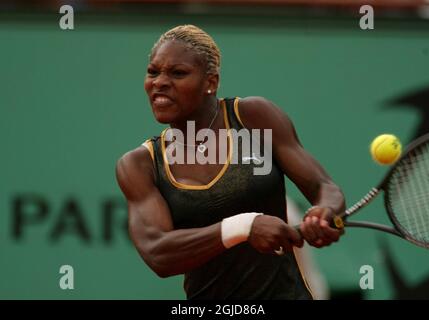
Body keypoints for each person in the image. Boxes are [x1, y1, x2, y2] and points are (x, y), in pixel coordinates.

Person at [116, 24, 345, 300]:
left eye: (178, 73)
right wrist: (244, 227)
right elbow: (158, 252)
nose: (159, 82)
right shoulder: (139, 165)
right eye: (153, 72)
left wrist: (324, 212)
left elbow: (323, 186)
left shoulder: (254, 117)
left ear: (210, 83)